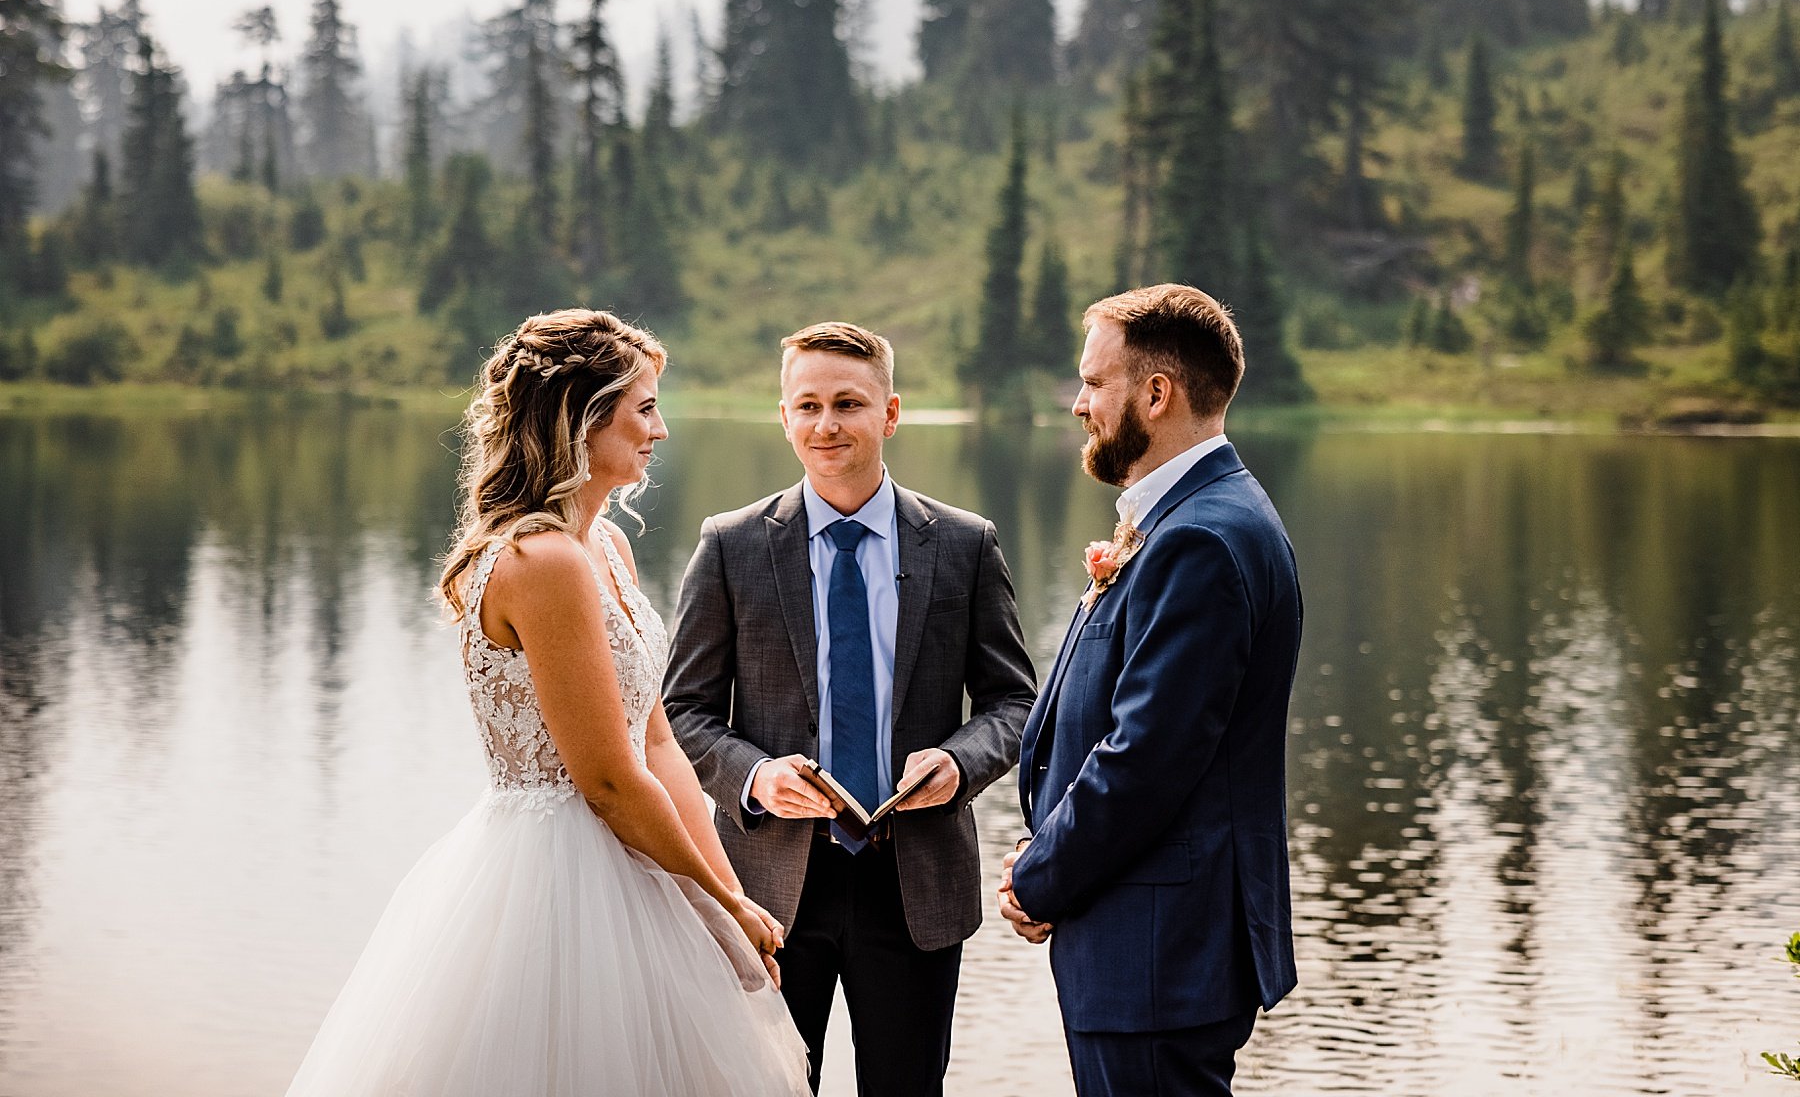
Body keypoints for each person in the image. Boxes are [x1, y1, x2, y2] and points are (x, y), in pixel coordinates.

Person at [284, 309, 810, 1097]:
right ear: (581, 417)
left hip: (642, 857)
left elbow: (658, 746)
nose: (660, 430)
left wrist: (722, 895)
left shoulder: (606, 547)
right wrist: (720, 902)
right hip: (557, 883)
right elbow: (604, 780)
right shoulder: (543, 561)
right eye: (644, 408)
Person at [664, 321, 1037, 1096]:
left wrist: (960, 762)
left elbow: (1012, 701)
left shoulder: (965, 545)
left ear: (890, 413)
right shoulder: (730, 546)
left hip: (916, 887)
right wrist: (756, 777)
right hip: (769, 890)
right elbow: (683, 713)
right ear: (784, 417)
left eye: (848, 404)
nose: (826, 424)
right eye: (807, 406)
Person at [999, 284, 1303, 1096]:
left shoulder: (1200, 537)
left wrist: (1040, 877)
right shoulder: (1199, 517)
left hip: (1159, 953)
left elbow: (1146, 758)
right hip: (1150, 947)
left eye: (1095, 383)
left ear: (1157, 393)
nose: (1079, 404)